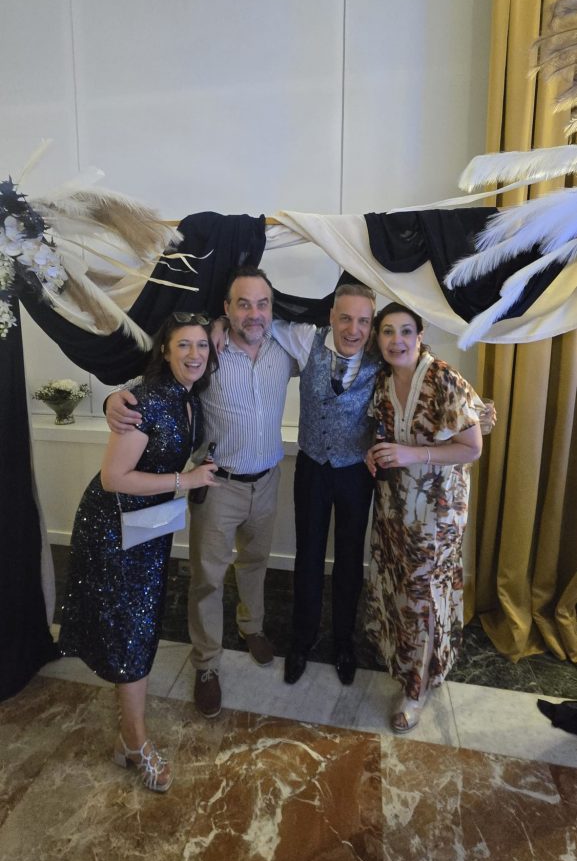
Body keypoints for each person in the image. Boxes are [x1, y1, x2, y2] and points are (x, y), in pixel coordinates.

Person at [105, 268, 297, 720]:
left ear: (272, 308)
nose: (254, 313)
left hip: (268, 479)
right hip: (217, 484)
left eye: (262, 304)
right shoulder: (209, 352)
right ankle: (207, 663)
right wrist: (116, 397)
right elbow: (160, 379)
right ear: (226, 309)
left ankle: (251, 626)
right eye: (243, 304)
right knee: (208, 578)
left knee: (255, 562)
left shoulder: (286, 352)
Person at [59, 314, 219, 792]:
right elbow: (114, 477)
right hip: (114, 528)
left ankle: (127, 736)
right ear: (164, 352)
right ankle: (136, 742)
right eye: (183, 345)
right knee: (131, 633)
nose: (194, 354)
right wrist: (186, 480)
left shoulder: (189, 398)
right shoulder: (144, 400)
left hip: (148, 526)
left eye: (202, 346)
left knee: (140, 626)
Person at [364, 302, 483, 733]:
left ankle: (416, 688)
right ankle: (403, 660)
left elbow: (472, 447)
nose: (396, 340)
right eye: (388, 331)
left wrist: (414, 454)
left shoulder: (443, 378)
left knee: (423, 593)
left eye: (405, 331)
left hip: (436, 511)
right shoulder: (382, 380)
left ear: (419, 336)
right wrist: (372, 452)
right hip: (394, 504)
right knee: (398, 583)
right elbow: (381, 431)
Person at [271, 284, 380, 687]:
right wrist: (216, 327)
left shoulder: (382, 354)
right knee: (309, 555)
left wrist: (474, 411)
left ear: (372, 324)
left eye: (363, 321)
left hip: (356, 472)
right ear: (331, 316)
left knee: (350, 559)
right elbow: (262, 320)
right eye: (345, 318)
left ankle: (344, 642)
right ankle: (302, 639)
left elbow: (422, 367)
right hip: (312, 467)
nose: (353, 329)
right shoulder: (306, 340)